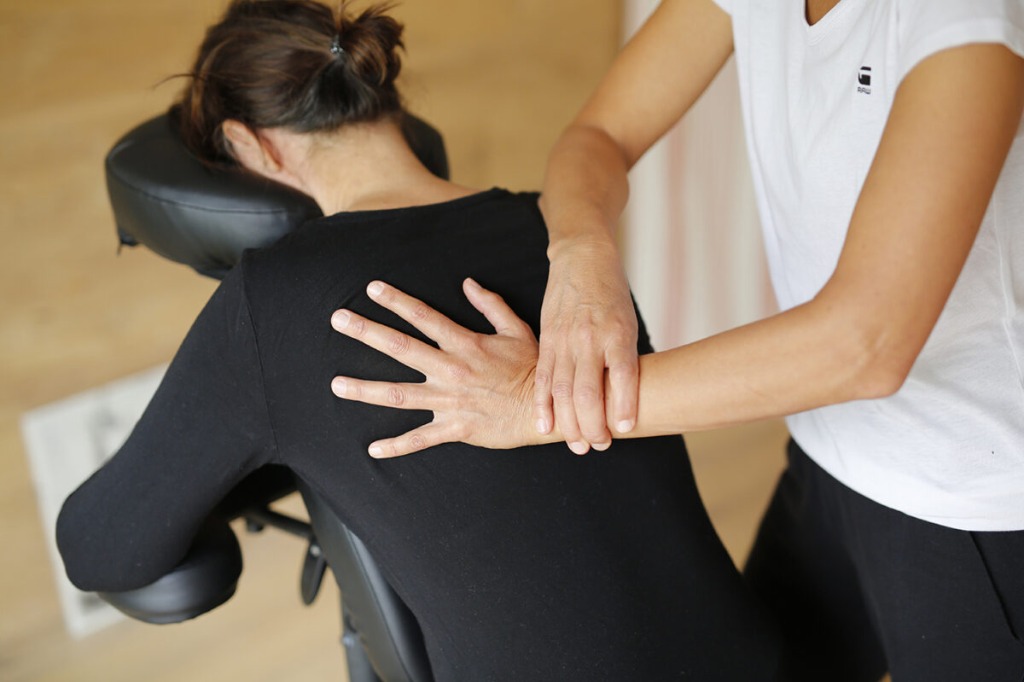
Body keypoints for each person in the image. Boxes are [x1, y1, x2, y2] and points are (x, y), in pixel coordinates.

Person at [55, 1, 787, 679]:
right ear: (385, 102)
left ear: (252, 148)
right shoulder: (563, 231)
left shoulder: (276, 299)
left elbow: (102, 546)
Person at [326, 0, 1024, 680]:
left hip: (971, 502)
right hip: (830, 454)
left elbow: (864, 345)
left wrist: (545, 404)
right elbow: (600, 136)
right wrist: (583, 255)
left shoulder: (967, 16)